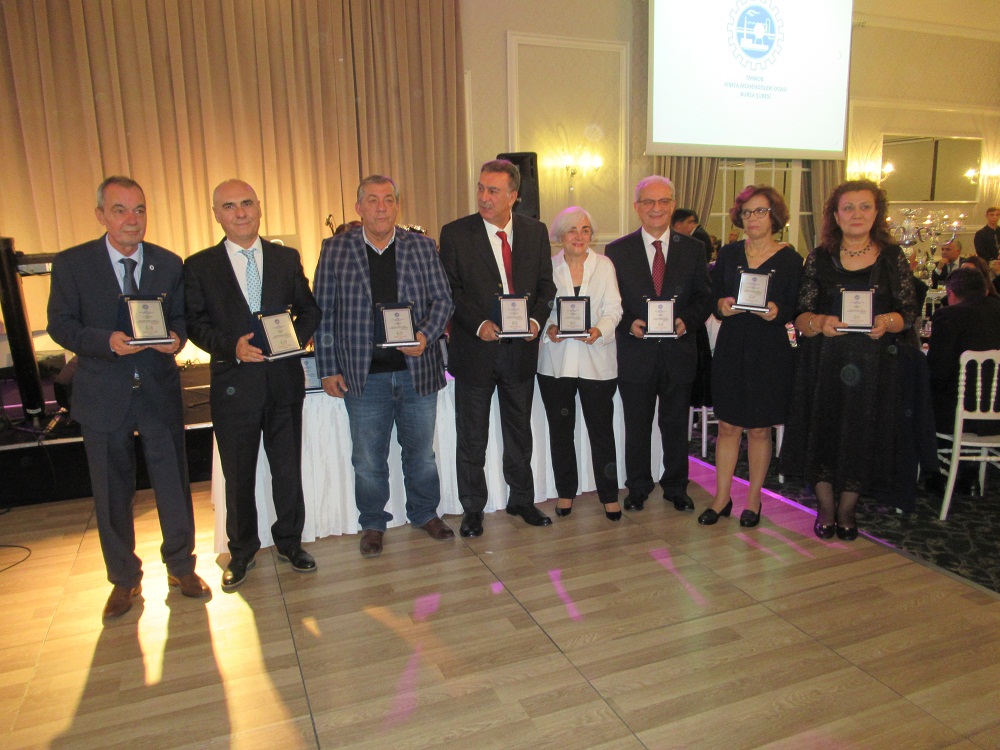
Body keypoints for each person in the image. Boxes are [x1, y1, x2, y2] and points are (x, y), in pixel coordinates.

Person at [47, 176, 209, 620]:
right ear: (101, 215)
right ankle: (124, 579)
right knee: (111, 491)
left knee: (173, 484)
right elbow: (61, 324)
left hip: (157, 391)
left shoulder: (168, 263)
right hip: (103, 394)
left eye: (139, 210)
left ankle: (181, 567)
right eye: (120, 210)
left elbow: (181, 319)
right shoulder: (73, 264)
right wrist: (106, 341)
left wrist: (175, 339)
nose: (131, 219)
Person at [184, 179, 321, 590]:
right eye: (229, 206)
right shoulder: (200, 265)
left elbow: (309, 310)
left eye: (246, 203)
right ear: (216, 214)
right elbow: (194, 323)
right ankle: (241, 552)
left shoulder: (284, 258)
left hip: (283, 383)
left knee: (287, 471)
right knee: (239, 476)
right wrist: (231, 347)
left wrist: (295, 337)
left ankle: (290, 543)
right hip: (234, 387)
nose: (240, 212)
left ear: (259, 207)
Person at [313, 176, 454, 557]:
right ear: (358, 207)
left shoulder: (421, 247)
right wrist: (327, 368)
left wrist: (424, 336)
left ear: (397, 206)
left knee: (421, 454)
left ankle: (425, 513)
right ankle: (373, 523)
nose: (381, 207)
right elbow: (323, 313)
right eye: (372, 200)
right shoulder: (335, 249)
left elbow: (443, 300)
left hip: (416, 371)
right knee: (368, 459)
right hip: (363, 375)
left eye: (388, 200)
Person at [781, 179, 917, 541]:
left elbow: (908, 313)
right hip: (824, 365)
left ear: (877, 213)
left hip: (874, 369)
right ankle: (826, 508)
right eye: (848, 207)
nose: (857, 214)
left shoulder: (892, 257)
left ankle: (847, 510)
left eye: (865, 206)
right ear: (836, 215)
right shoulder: (818, 257)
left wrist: (887, 322)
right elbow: (799, 316)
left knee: (862, 436)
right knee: (822, 434)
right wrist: (820, 322)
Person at [438, 159, 557, 537]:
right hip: (475, 350)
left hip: (520, 352)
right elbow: (450, 290)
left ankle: (521, 499)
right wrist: (478, 324)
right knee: (472, 436)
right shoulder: (456, 233)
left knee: (519, 432)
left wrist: (536, 321)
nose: (483, 197)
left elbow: (545, 285)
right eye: (480, 188)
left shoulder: (535, 232)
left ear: (513, 196)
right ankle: (473, 508)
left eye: (493, 191)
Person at [605, 176, 712, 512]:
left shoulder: (693, 249)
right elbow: (611, 302)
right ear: (637, 207)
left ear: (672, 205)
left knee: (676, 426)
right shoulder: (617, 251)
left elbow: (704, 298)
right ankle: (637, 486)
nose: (656, 208)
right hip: (635, 354)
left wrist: (687, 321)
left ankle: (676, 486)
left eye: (663, 201)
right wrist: (627, 323)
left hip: (679, 353)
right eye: (648, 202)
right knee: (636, 426)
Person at [698, 186, 802, 528]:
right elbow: (713, 296)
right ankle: (721, 497)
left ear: (774, 216)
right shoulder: (729, 254)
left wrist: (778, 311)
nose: (753, 218)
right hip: (732, 345)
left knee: (759, 430)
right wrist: (721, 305)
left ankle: (754, 499)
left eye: (760, 211)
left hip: (770, 348)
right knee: (727, 425)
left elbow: (797, 305)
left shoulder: (791, 260)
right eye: (747, 212)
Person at [536, 206, 623, 521]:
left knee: (601, 432)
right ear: (560, 235)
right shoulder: (547, 267)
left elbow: (614, 308)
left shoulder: (604, 265)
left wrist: (599, 330)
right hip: (556, 365)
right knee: (561, 431)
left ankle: (609, 495)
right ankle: (565, 491)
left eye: (585, 230)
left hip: (596, 362)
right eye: (572, 230)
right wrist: (550, 328)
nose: (579, 236)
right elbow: (540, 309)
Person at [925, 266, 1000, 495]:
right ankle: (969, 472)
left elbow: (939, 372)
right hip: (997, 413)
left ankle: (939, 472)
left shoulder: (949, 316)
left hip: (960, 416)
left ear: (951, 293)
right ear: (985, 290)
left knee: (922, 397)